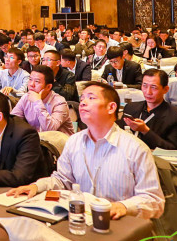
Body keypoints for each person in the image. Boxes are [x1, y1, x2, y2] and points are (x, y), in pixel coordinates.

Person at [9, 82, 165, 220]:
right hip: (80, 221)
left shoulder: (135, 149)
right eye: (82, 98)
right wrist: (37, 187)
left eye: (91, 98)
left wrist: (123, 206)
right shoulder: (74, 142)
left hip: (121, 226)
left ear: (111, 107)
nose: (83, 103)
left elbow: (154, 200)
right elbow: (63, 180)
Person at [120, 69, 177, 150]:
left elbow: (173, 149)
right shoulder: (130, 108)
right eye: (144, 86)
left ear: (165, 89)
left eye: (153, 87)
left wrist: (145, 131)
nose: (148, 92)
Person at [11, 65, 73, 135]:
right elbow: (13, 121)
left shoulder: (60, 102)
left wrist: (37, 102)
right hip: (36, 139)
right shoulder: (26, 97)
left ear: (48, 87)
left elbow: (50, 129)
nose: (31, 84)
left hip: (58, 140)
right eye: (30, 79)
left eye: (37, 81)